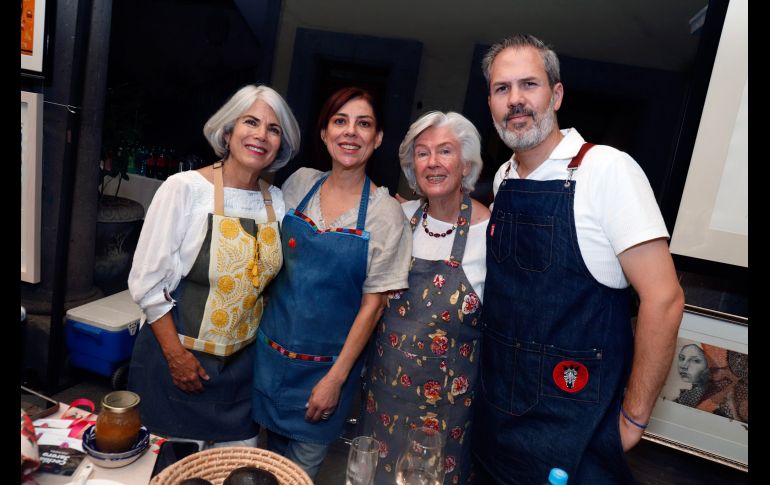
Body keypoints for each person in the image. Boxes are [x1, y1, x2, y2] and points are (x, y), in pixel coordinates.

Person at [471, 34, 685, 483]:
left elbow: (664, 299)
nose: (515, 100)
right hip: (496, 419)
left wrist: (633, 419)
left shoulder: (606, 169)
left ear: (556, 94)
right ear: (490, 103)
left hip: (575, 429)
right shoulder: (504, 177)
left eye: (529, 84)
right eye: (502, 88)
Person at [251, 86, 412, 479]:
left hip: (323, 377)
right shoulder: (298, 184)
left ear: (377, 139)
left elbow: (372, 307)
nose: (350, 132)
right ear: (324, 133)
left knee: (297, 476)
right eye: (340, 121)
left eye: (364, 124)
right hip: (267, 361)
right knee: (254, 470)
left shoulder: (386, 215)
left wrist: (335, 380)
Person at [127, 84, 300, 448]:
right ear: (228, 131)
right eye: (251, 122)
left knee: (235, 468)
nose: (261, 135)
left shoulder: (277, 202)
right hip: (177, 364)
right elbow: (147, 284)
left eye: (273, 129)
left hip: (241, 374)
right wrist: (176, 357)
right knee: (172, 467)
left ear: (280, 145)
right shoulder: (184, 189)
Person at [357, 111, 490, 484]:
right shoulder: (397, 217)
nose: (432, 162)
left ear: (466, 165)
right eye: (422, 153)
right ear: (412, 167)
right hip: (382, 401)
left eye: (445, 151)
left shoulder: (490, 234)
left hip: (446, 419)